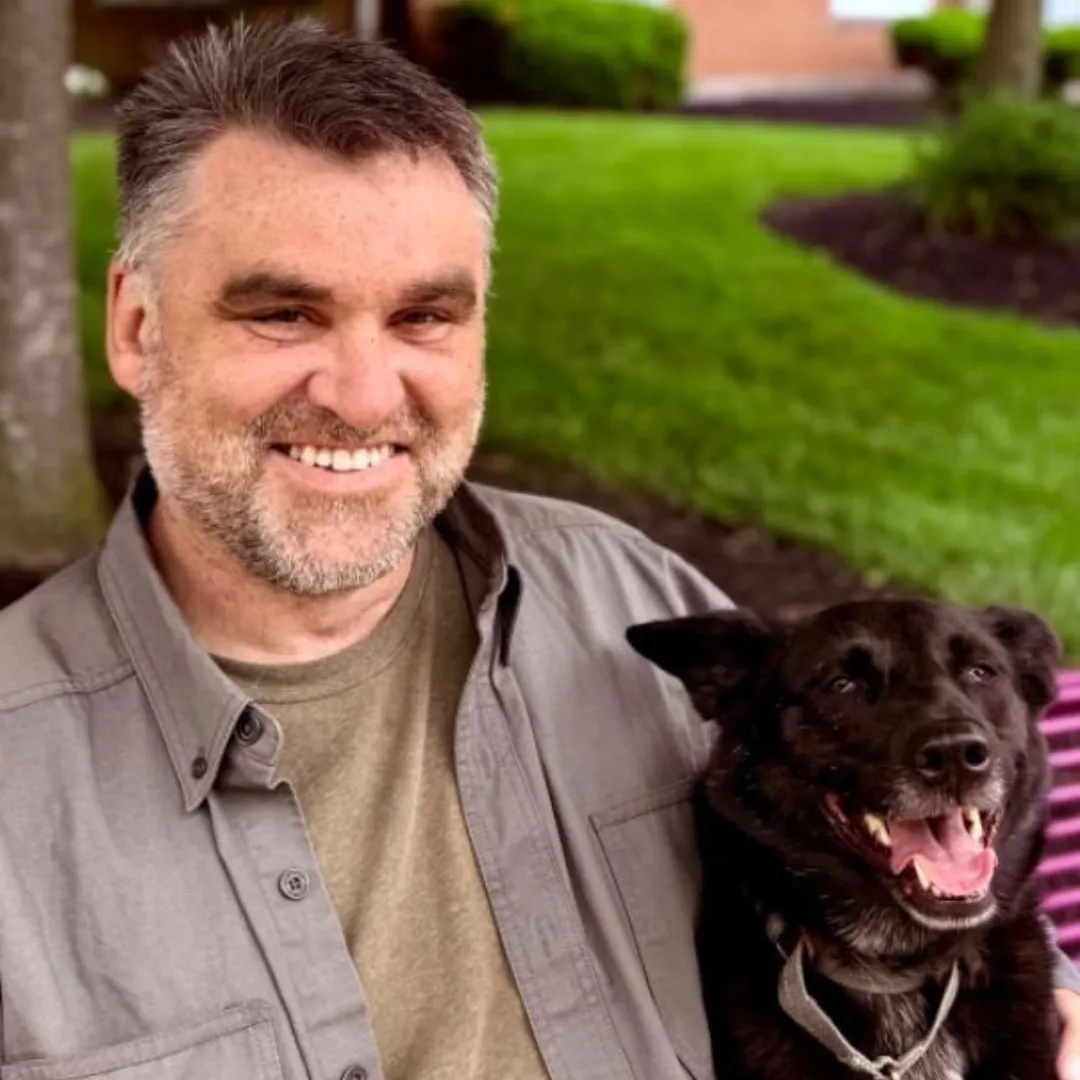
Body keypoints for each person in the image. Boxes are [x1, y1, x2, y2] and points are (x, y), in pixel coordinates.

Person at [0, 16, 1077, 1080]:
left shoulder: (625, 602)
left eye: (425, 317)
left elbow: (920, 883)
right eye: (283, 313)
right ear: (137, 325)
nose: (365, 394)